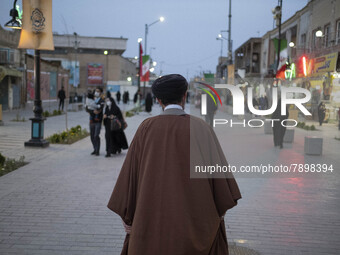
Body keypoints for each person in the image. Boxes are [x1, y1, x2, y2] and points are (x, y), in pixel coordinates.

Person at [107, 74, 241, 255]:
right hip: (195, 229)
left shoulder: (146, 128)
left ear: (158, 100)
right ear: (185, 96)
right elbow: (221, 184)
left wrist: (129, 217)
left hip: (151, 225)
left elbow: (130, 176)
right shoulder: (201, 128)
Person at [89, 88, 104, 156]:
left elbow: (100, 109)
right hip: (91, 120)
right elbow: (87, 108)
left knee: (96, 135)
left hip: (98, 120)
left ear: (100, 93)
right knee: (92, 136)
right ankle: (95, 149)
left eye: (98, 91)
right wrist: (92, 111)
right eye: (96, 91)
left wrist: (94, 109)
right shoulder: (92, 99)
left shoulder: (101, 100)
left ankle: (97, 150)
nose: (96, 92)